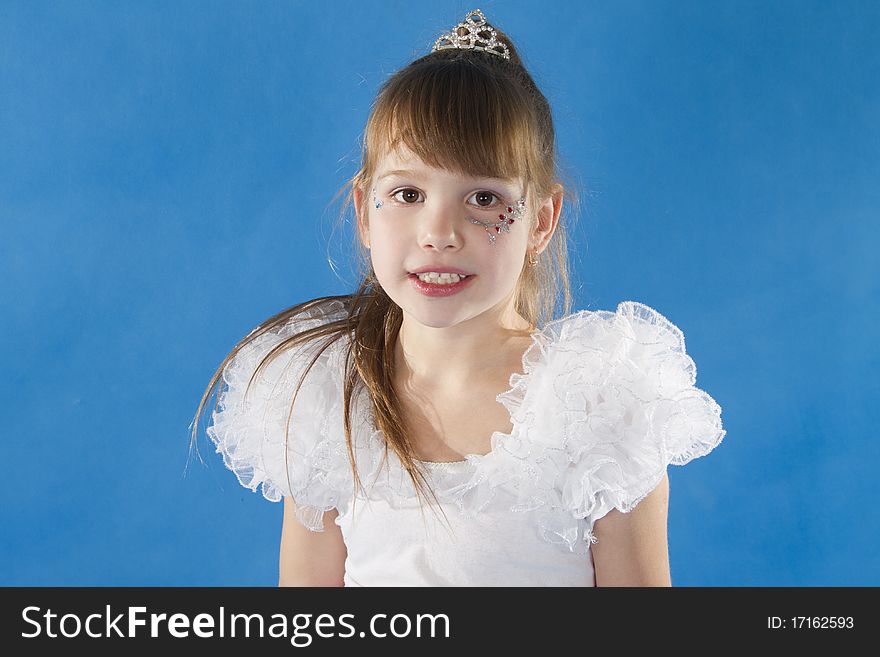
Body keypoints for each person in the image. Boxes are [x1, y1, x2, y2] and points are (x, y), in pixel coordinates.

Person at [190, 8, 726, 587]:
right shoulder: (326, 399)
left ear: (541, 221)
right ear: (363, 210)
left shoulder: (596, 408)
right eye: (408, 193)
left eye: (485, 199)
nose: (439, 232)